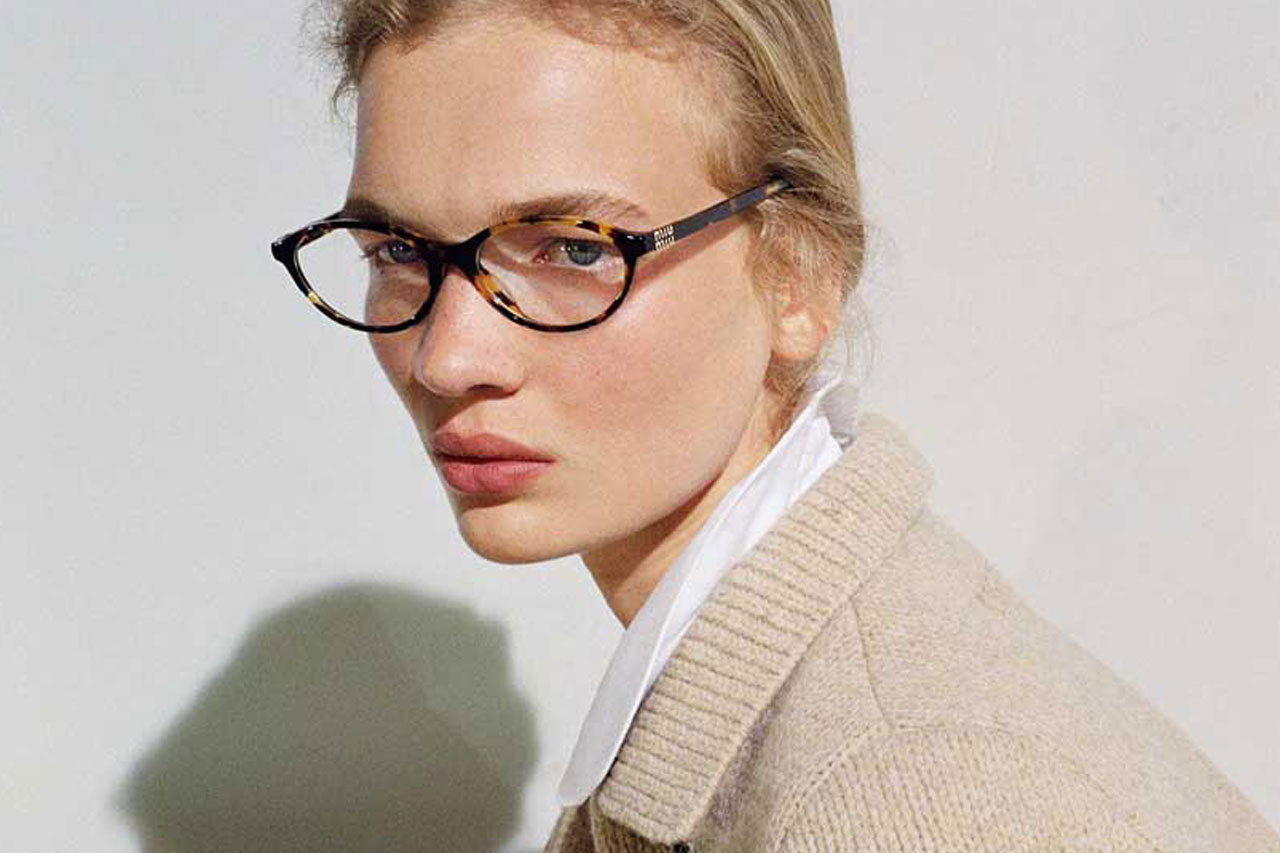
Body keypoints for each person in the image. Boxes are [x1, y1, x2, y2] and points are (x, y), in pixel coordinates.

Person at [269, 0, 1280, 850]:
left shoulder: (909, 792)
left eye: (574, 249)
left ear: (800, 271)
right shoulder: (795, 717)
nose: (446, 358)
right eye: (396, 248)